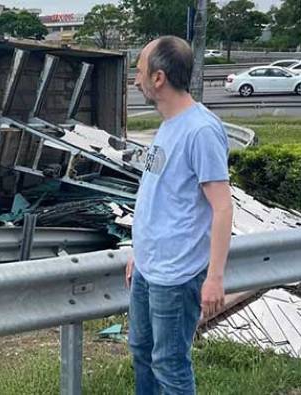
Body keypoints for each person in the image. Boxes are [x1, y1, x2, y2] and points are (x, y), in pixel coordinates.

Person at [127, 36, 234, 394]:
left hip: (177, 274)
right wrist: (138, 254)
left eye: (140, 70)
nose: (135, 79)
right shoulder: (169, 124)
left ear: (159, 78)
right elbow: (160, 198)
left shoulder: (200, 130)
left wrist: (214, 278)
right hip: (148, 268)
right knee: (142, 351)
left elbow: (222, 206)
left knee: (170, 365)